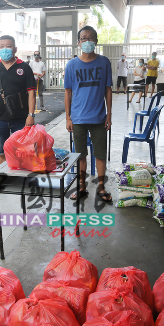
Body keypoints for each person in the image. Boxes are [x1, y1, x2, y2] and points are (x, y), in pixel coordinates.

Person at [64, 25, 113, 202]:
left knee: (99, 154)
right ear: (78, 42)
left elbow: (108, 90)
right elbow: (68, 93)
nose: (87, 41)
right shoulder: (71, 65)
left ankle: (101, 187)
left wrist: (109, 115)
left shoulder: (104, 62)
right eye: (83, 38)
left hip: (99, 118)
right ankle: (82, 187)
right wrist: (68, 117)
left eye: (90, 38)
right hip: (77, 119)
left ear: (96, 41)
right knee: (81, 155)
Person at [0, 35, 36, 166]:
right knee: (1, 153)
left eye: (8, 46)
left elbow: (31, 93)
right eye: (2, 47)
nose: (5, 49)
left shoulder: (24, 67)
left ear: (15, 49)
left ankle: (22, 183)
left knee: (22, 152)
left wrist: (31, 115)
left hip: (21, 119)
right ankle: (3, 183)